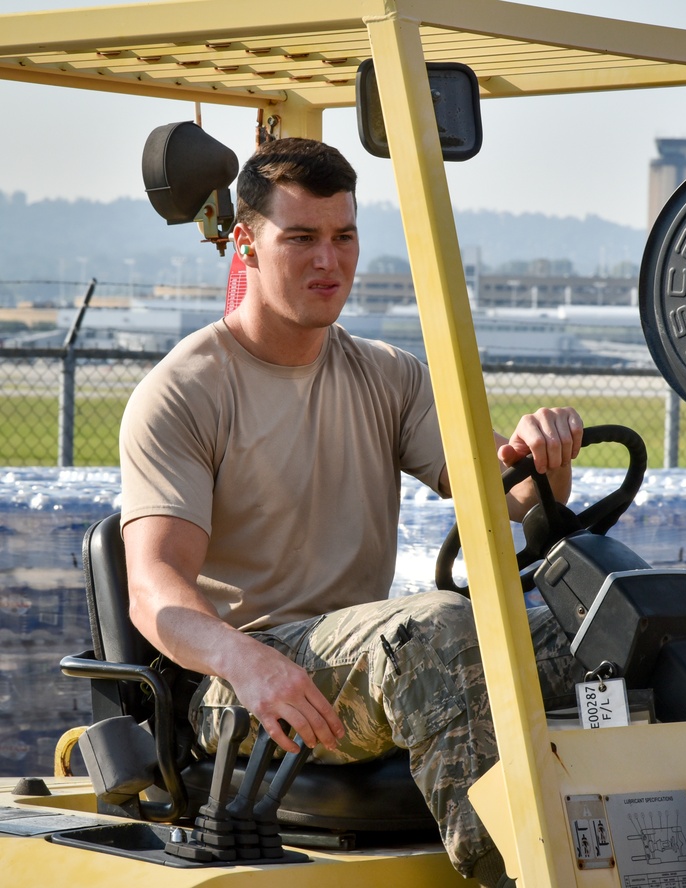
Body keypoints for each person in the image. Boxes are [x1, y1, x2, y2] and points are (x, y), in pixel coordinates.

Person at [119, 136, 586, 887]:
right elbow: (154, 592)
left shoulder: (387, 375)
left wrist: (544, 462)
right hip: (245, 682)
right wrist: (247, 664)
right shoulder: (186, 392)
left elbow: (509, 500)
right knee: (432, 631)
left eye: (343, 237)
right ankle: (519, 874)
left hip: (372, 659)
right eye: (300, 238)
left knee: (609, 618)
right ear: (245, 241)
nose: (327, 262)